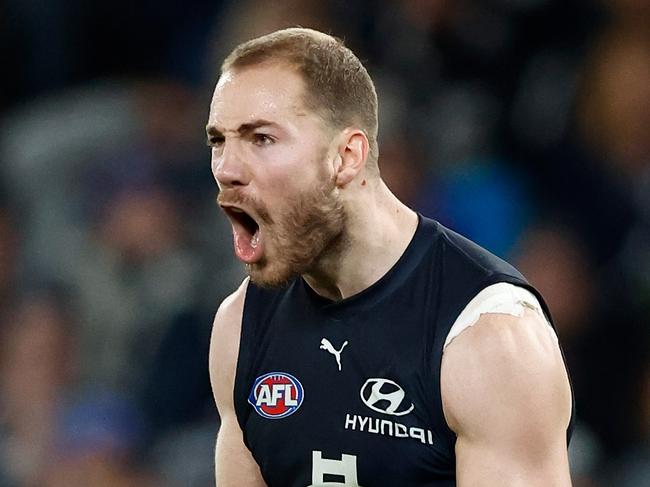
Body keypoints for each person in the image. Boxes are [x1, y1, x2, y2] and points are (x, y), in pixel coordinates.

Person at [206, 28, 574, 487]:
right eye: (218, 141)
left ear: (346, 156)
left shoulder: (489, 338)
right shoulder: (240, 326)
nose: (227, 170)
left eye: (260, 138)